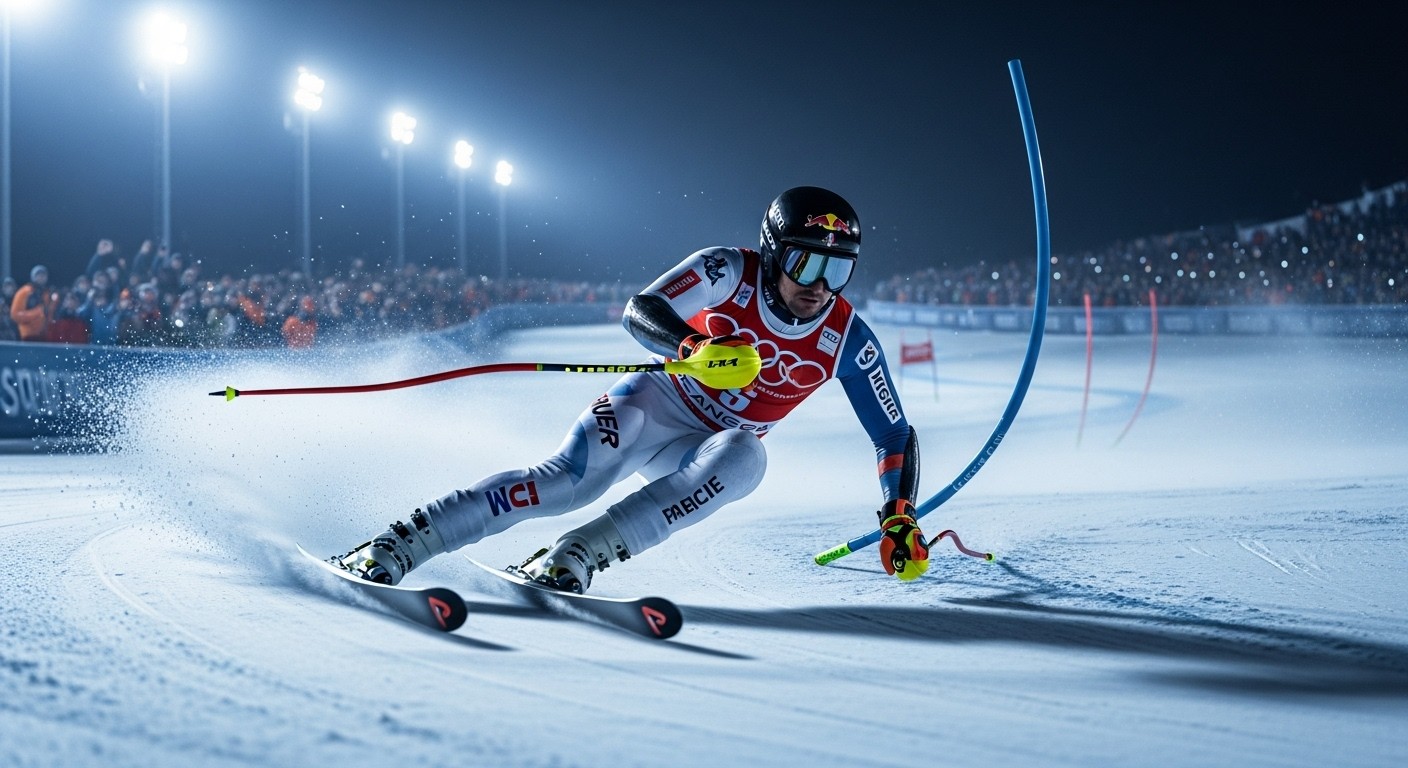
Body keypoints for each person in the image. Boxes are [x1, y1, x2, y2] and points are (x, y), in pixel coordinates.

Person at [331, 186, 929, 591]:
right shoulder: (728, 269)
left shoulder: (848, 336)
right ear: (774, 254)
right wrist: (692, 350)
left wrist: (898, 514)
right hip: (651, 404)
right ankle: (398, 544)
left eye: (838, 269)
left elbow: (892, 432)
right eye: (806, 263)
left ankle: (576, 556)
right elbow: (641, 310)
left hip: (706, 446)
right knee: (567, 484)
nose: (819, 285)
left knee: (748, 457)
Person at [10, 265, 58, 342]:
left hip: (45, 336)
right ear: (33, 277)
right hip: (27, 336)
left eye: (43, 275)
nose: (41, 278)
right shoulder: (24, 292)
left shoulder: (47, 293)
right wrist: (37, 312)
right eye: (39, 275)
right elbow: (15, 315)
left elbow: (50, 314)